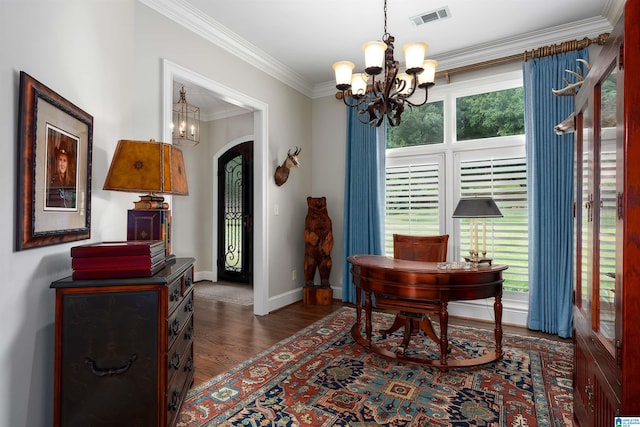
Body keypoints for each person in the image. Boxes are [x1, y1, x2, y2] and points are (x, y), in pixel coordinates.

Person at [47, 143, 76, 208]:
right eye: (60, 160)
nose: (62, 164)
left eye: (64, 161)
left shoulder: (72, 182)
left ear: (67, 163)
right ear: (57, 162)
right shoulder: (53, 181)